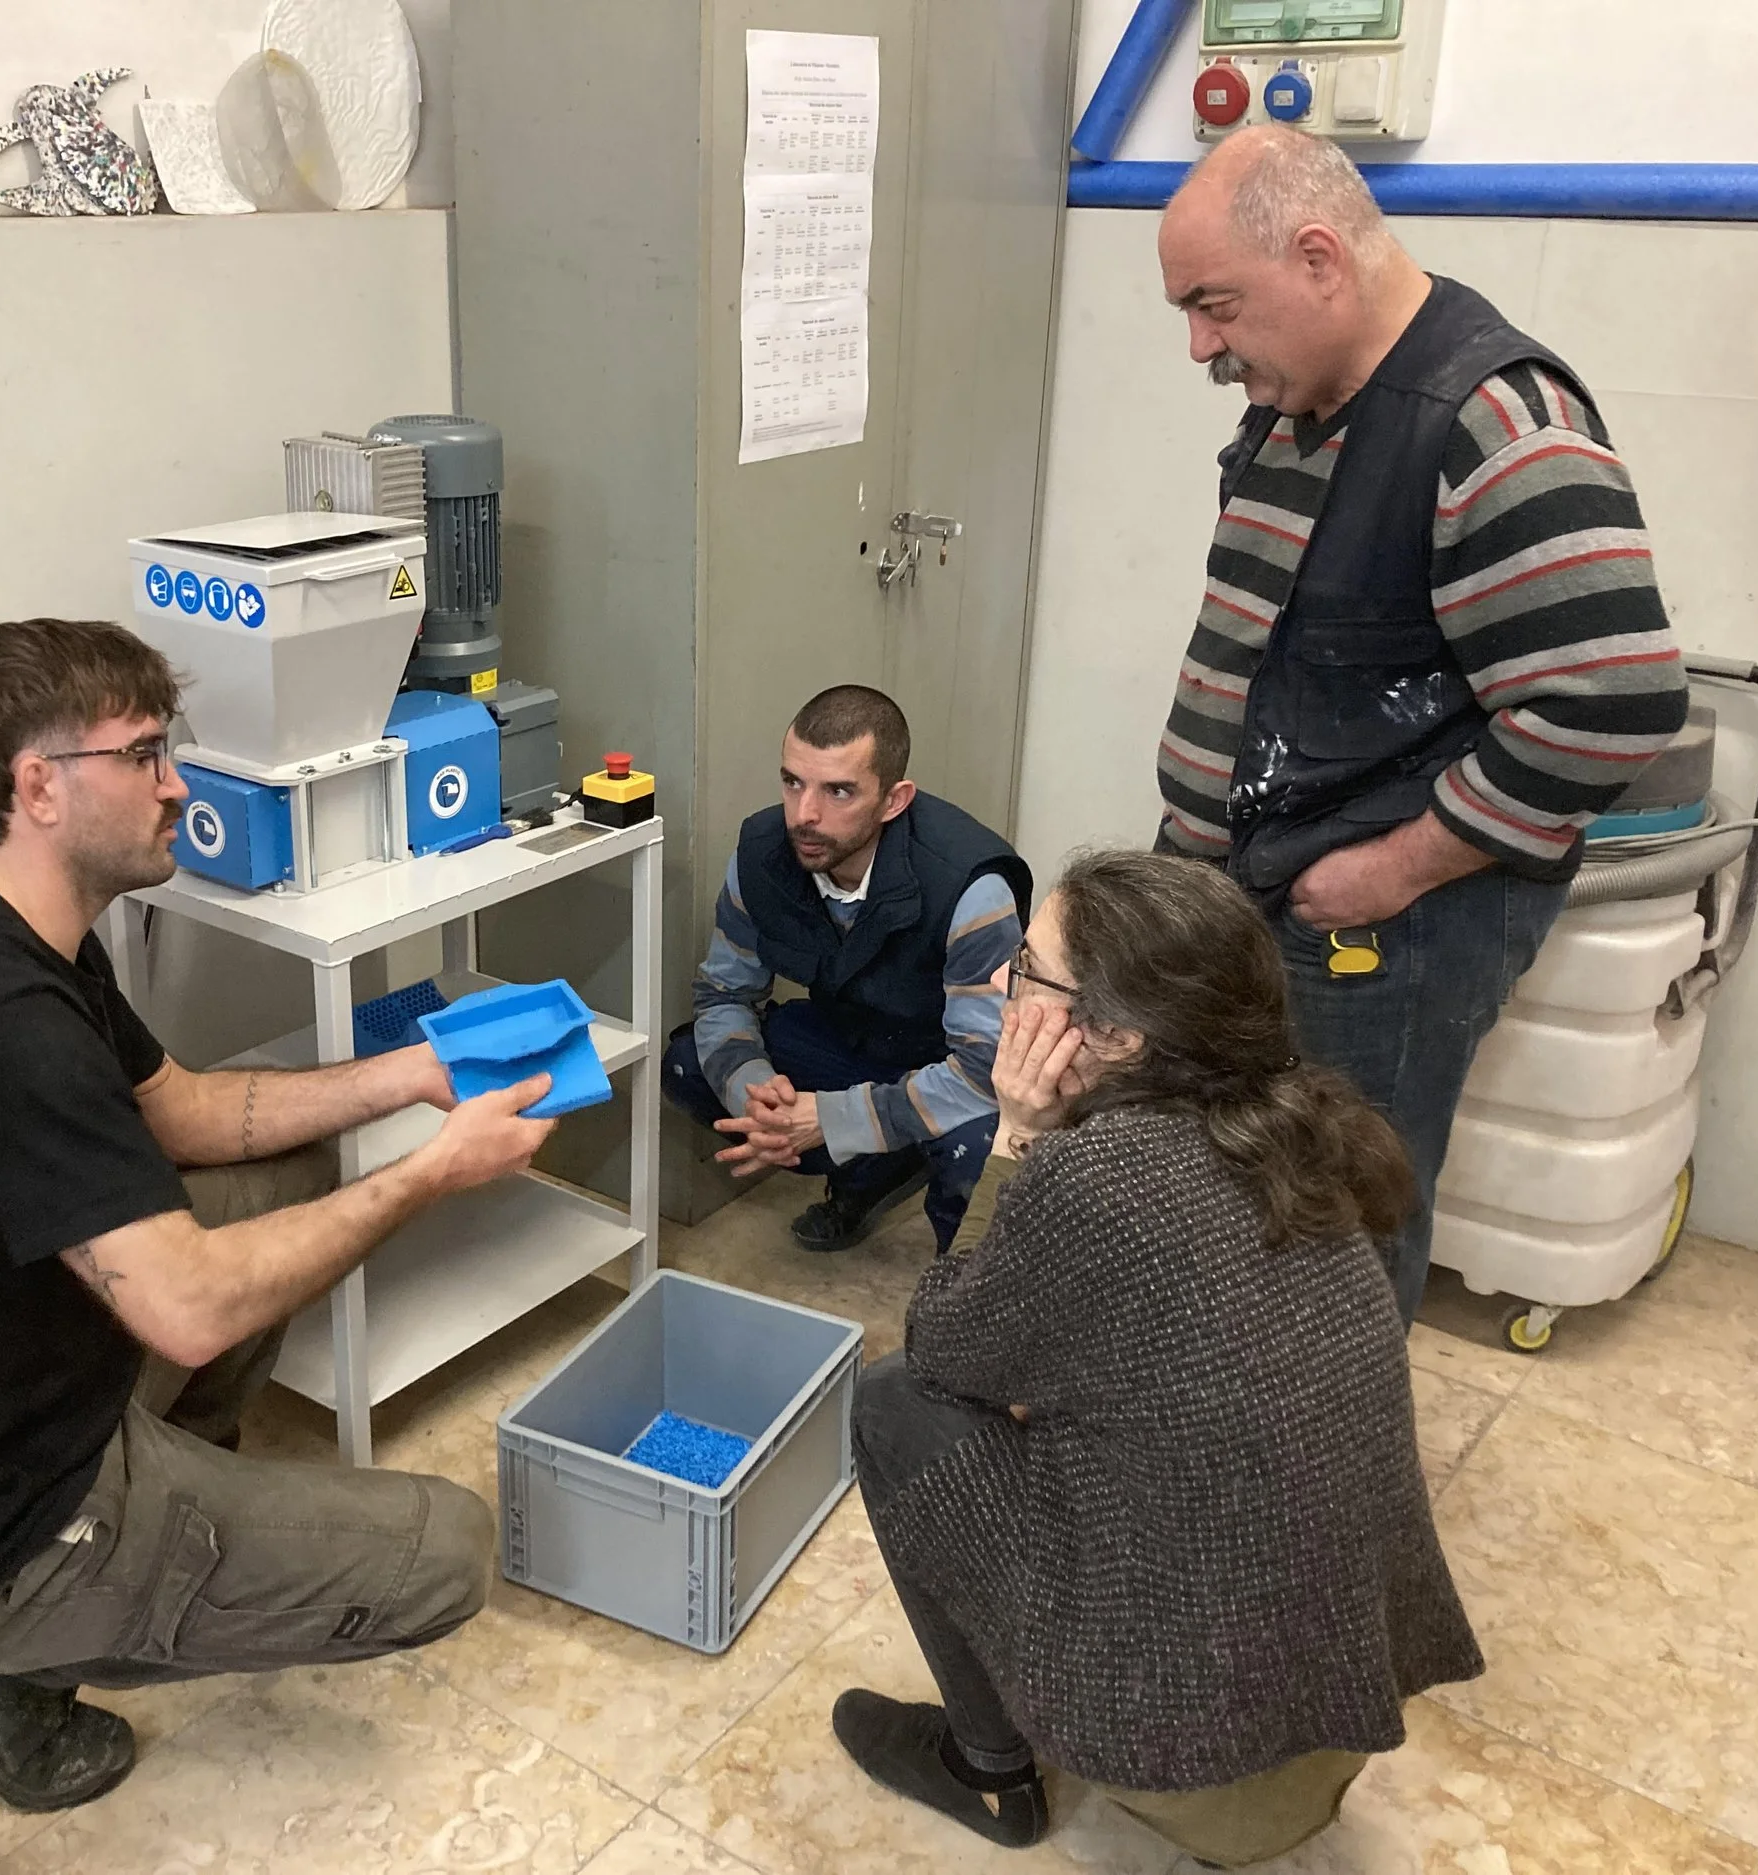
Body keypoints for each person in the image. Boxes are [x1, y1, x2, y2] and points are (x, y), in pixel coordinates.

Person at [0, 619, 556, 1813]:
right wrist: (429, 1173)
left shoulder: (11, 936)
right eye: (147, 753)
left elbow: (194, 1115)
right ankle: (3, 1657)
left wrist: (413, 1077)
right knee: (446, 1554)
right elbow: (192, 1310)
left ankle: (174, 1510)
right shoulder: (1, 1026)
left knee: (284, 1179)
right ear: (38, 786)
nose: (178, 785)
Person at [833, 849, 1482, 1868]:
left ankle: (987, 1770)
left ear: (1121, 1033)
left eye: (1030, 973)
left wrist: (1014, 1135)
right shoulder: (1305, 1124)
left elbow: (947, 1349)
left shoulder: (1104, 1177)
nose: (1006, 988)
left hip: (1194, 1759)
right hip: (1332, 1718)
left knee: (891, 1402)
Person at [1153, 126, 1688, 1322]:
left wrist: (1393, 872)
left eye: (1215, 305)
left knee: (1336, 1217)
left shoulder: (1486, 421)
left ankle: (1326, 1477)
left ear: (1317, 259)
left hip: (1377, 929)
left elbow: (1615, 703)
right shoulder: (1304, 400)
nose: (1200, 344)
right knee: (1253, 1207)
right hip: (1266, 892)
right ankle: (1250, 1432)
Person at [661, 685, 1029, 1252]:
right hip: (849, 1036)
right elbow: (722, 995)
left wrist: (833, 1119)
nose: (804, 815)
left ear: (894, 799)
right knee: (689, 1064)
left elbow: (983, 1071)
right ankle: (875, 1170)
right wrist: (760, 1101)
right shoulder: (761, 854)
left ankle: (958, 1299)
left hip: (945, 1062)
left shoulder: (972, 889)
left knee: (976, 1151)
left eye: (838, 791)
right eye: (792, 782)